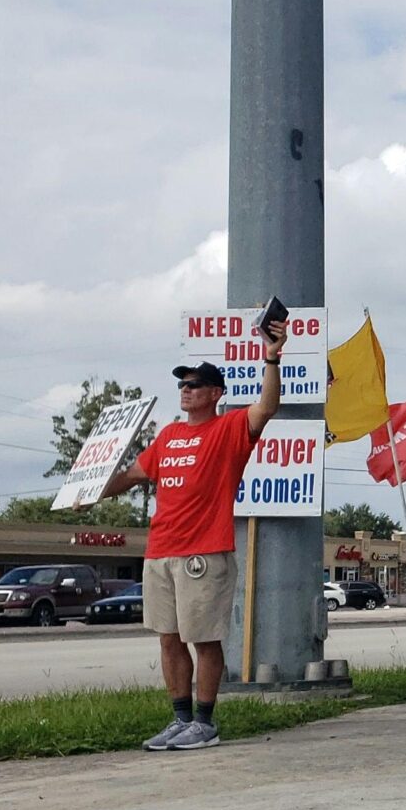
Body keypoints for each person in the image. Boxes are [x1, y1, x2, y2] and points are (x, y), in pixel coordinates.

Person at [98, 316, 284, 752]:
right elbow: (131, 475)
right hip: (161, 550)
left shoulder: (229, 428)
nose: (186, 390)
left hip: (205, 551)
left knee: (203, 638)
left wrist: (272, 358)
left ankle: (205, 723)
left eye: (196, 384)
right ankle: (179, 719)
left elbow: (268, 408)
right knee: (168, 637)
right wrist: (88, 490)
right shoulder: (169, 436)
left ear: (216, 394)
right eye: (183, 384)